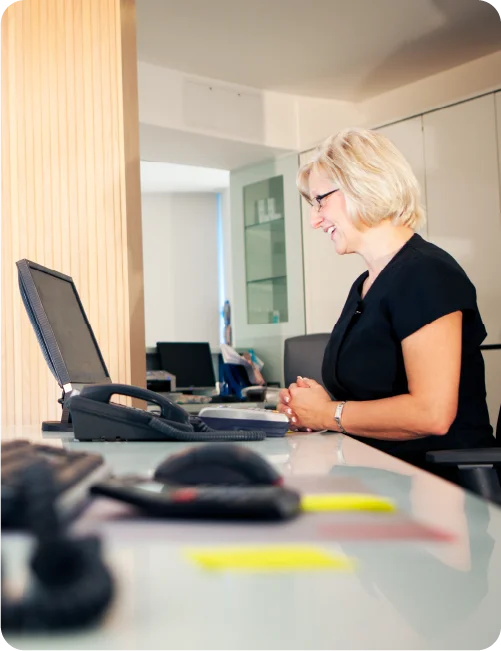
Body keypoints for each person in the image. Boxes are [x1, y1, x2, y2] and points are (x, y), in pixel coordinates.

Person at [278, 127, 495, 473]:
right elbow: (374, 401)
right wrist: (314, 406)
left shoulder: (426, 273)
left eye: (321, 200)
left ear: (361, 185)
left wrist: (326, 413)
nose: (314, 220)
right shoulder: (365, 285)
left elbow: (431, 414)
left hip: (435, 488)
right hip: (376, 472)